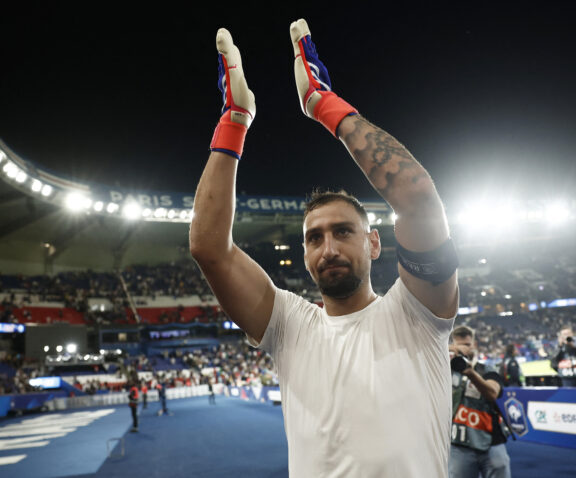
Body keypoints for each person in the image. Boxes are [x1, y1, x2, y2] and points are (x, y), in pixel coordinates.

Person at [190, 19, 459, 478]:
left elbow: (416, 195)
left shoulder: (418, 311)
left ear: (374, 243)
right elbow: (209, 248)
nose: (328, 247)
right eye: (314, 238)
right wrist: (234, 121)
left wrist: (323, 103)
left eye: (343, 231)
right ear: (304, 253)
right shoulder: (290, 325)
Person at [449, 326, 511, 478]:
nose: (465, 349)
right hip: (460, 443)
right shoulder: (445, 370)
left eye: (468, 345)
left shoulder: (486, 369)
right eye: (460, 345)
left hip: (491, 441)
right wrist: (449, 350)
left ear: (474, 345)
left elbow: (492, 393)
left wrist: (471, 373)